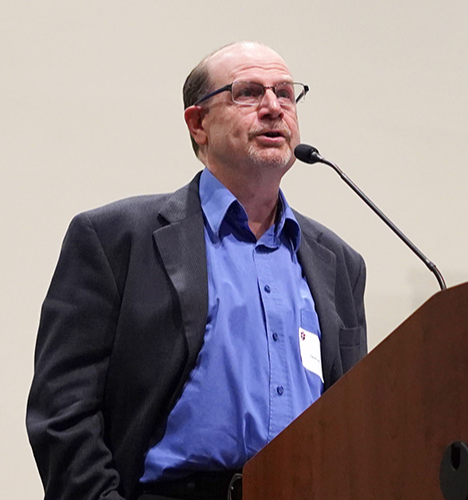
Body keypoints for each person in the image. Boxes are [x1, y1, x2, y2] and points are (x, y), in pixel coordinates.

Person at [26, 42, 367, 500]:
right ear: (198, 123)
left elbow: (357, 414)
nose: (273, 108)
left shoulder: (338, 263)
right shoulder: (116, 239)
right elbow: (62, 410)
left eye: (285, 93)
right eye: (248, 93)